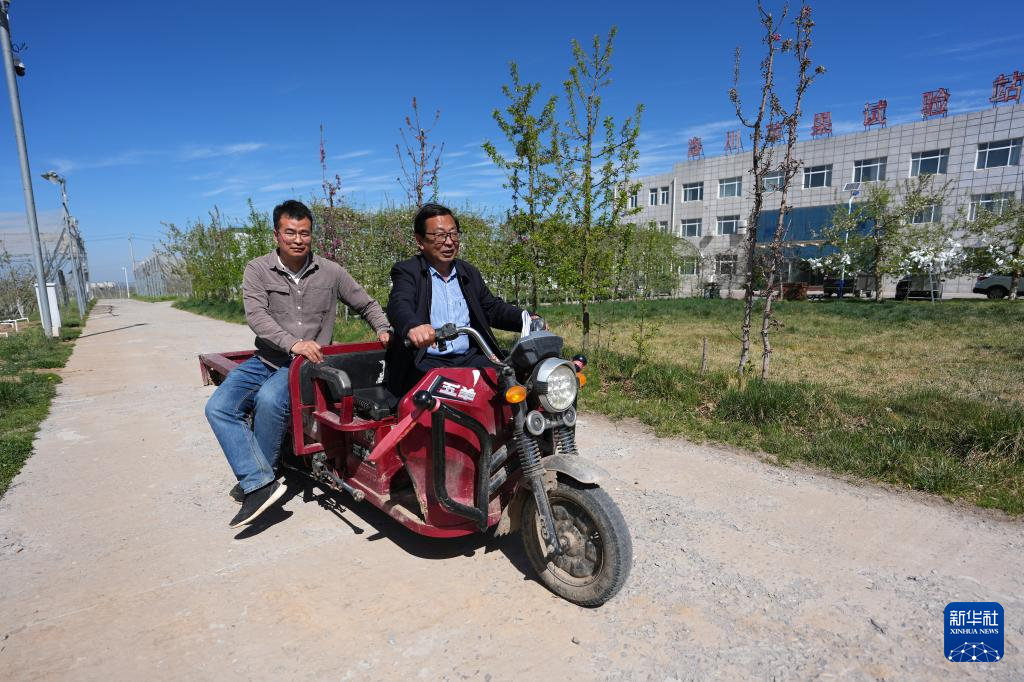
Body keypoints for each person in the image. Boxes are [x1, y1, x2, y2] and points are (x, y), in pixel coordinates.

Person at [205, 199, 390, 529]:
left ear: (311, 235)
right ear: (276, 234)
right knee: (219, 407)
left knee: (270, 400)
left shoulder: (331, 272)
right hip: (267, 358)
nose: (298, 239)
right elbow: (257, 317)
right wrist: (293, 343)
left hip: (308, 365)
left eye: (304, 233)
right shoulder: (257, 269)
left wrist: (383, 328)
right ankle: (260, 480)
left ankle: (259, 480)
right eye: (290, 232)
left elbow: (366, 304)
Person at [386, 203, 527, 397]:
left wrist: (526, 318)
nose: (449, 242)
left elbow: (491, 308)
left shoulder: (468, 272)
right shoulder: (407, 271)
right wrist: (413, 327)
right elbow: (399, 304)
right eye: (440, 235)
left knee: (515, 379)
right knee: (445, 406)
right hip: (426, 361)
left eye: (453, 234)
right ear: (420, 241)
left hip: (468, 358)